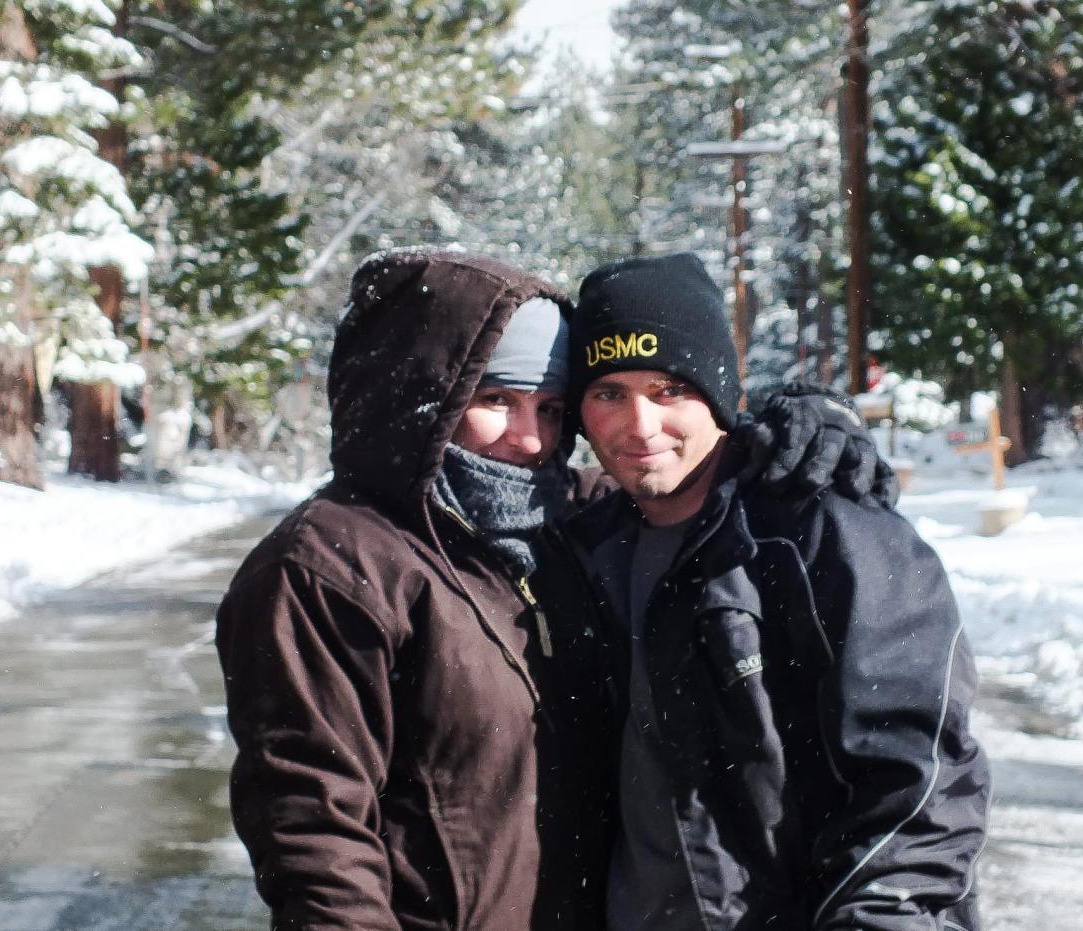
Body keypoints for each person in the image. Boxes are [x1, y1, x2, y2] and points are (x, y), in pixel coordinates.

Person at [215, 248, 889, 930]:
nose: (530, 438)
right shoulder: (329, 567)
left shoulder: (565, 520)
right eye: (496, 400)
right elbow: (315, 836)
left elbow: (692, 478)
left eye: (551, 406)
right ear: (424, 394)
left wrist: (794, 429)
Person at [562, 253, 990, 931]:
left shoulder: (821, 528)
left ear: (717, 387)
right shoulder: (586, 550)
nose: (640, 425)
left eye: (669, 387)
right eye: (609, 392)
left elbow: (918, 785)